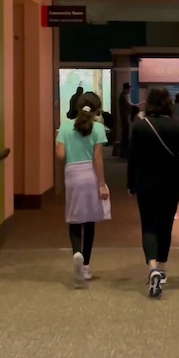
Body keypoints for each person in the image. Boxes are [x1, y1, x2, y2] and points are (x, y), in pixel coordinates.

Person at [127, 87, 179, 298]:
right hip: (171, 183)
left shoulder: (140, 126)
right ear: (169, 103)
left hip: (146, 182)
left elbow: (133, 158)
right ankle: (163, 268)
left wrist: (131, 183)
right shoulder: (178, 126)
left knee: (149, 226)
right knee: (165, 226)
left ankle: (152, 268)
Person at [55, 93, 109, 285]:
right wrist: (102, 184)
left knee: (74, 218)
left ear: (78, 107)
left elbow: (60, 155)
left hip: (72, 175)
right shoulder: (98, 128)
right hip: (90, 174)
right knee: (90, 221)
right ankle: (85, 266)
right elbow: (98, 158)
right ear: (97, 110)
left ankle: (76, 252)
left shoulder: (65, 126)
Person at [117, 82, 134, 157]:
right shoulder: (123, 97)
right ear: (126, 89)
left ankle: (124, 152)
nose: (130, 91)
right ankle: (124, 152)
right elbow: (129, 106)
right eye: (129, 89)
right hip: (124, 118)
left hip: (125, 117)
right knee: (125, 135)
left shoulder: (125, 96)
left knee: (125, 135)